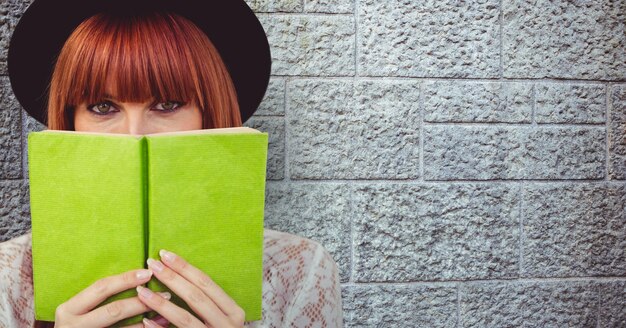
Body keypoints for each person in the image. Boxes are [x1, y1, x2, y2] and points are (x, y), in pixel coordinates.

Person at [0, 0, 343, 327]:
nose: (133, 135)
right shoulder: (10, 275)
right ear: (69, 120)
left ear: (209, 115)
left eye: (167, 104)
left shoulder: (299, 270)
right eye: (103, 107)